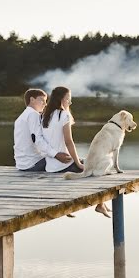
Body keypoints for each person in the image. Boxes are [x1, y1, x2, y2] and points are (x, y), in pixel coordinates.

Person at [41, 86, 111, 217]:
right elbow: (68, 141)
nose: (70, 102)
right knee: (98, 168)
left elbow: (43, 142)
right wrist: (78, 163)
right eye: (68, 99)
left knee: (90, 163)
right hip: (65, 164)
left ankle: (98, 204)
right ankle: (100, 204)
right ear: (61, 100)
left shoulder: (45, 115)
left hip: (50, 166)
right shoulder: (64, 115)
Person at [14, 88, 71, 171]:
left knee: (67, 160)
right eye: (42, 100)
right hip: (32, 163)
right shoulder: (33, 114)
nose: (45, 104)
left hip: (22, 163)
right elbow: (38, 140)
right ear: (32, 100)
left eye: (46, 101)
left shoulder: (22, 117)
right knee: (70, 162)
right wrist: (56, 154)